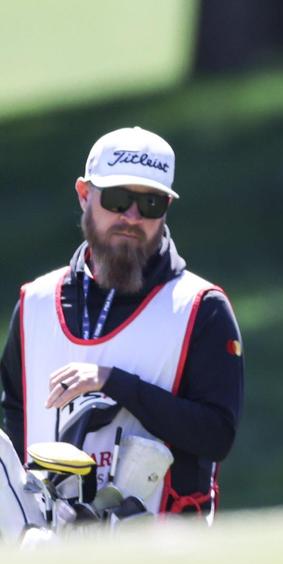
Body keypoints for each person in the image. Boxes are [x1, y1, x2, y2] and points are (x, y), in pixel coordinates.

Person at [0, 126, 244, 538]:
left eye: (151, 203)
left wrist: (116, 383)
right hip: (47, 554)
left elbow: (217, 434)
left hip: (164, 553)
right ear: (83, 194)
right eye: (117, 199)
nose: (132, 217)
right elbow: (16, 413)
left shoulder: (202, 307)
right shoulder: (36, 302)